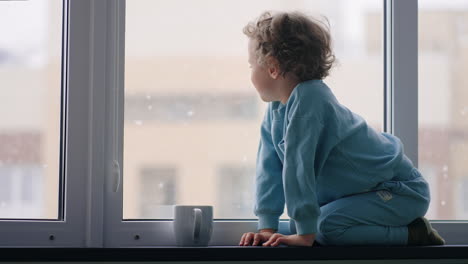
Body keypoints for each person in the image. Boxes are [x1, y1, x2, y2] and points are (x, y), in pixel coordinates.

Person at [238, 11, 445, 247]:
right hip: (363, 195)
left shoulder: (311, 98)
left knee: (324, 228)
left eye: (251, 65)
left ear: (273, 68)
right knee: (304, 226)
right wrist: (267, 227)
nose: (250, 73)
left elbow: (298, 167)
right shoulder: (276, 109)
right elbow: (269, 169)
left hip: (400, 192)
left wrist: (306, 235)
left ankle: (414, 234)